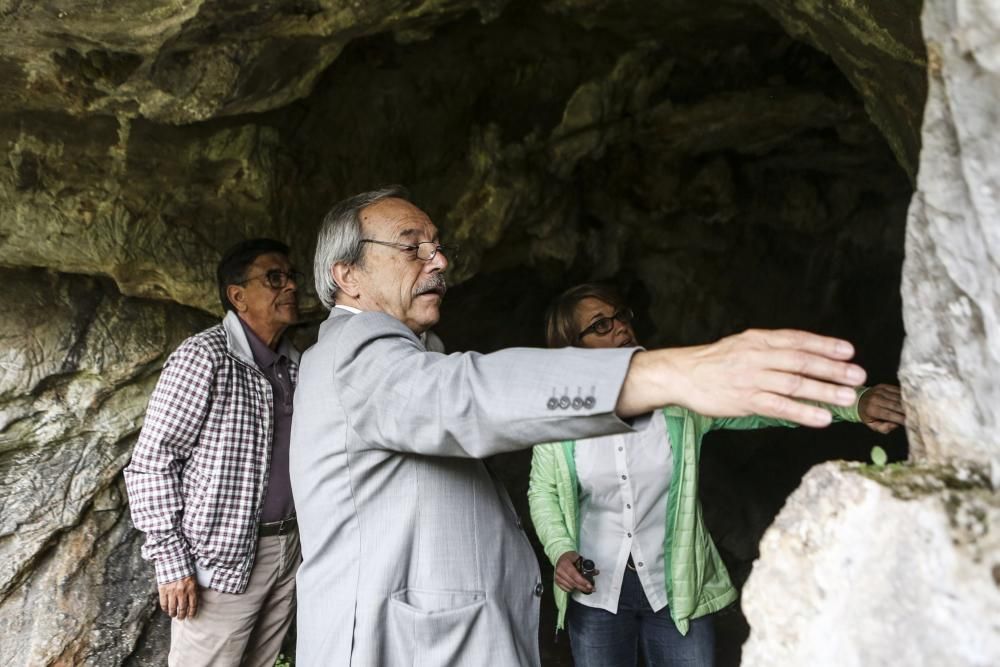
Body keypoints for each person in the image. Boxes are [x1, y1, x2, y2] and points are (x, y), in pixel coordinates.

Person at [289, 186, 871, 667]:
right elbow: (465, 396)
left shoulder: (402, 354)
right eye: (412, 247)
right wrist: (666, 370)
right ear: (348, 276)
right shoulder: (353, 351)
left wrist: (856, 401)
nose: (438, 261)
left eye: (439, 247)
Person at [528, 283, 906, 667]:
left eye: (621, 316)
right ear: (570, 350)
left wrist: (855, 402)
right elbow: (542, 491)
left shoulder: (676, 401)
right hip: (596, 596)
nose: (620, 327)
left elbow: (761, 402)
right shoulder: (557, 421)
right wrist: (561, 550)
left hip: (679, 593)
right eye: (601, 326)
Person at [124, 239, 303, 667]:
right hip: (221, 558)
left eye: (291, 276)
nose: (291, 287)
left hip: (290, 549)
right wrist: (170, 562)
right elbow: (152, 462)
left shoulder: (294, 364)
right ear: (237, 295)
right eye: (274, 278)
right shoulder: (204, 357)